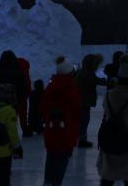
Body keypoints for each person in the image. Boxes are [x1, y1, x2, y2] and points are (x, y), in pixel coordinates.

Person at [41, 56, 82, 186]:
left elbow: (42, 107)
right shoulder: (71, 88)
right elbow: (77, 111)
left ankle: (48, 182)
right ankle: (56, 183)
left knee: (51, 156)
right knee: (62, 158)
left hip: (51, 130)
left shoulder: (51, 86)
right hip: (67, 131)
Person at [75, 53, 106, 148]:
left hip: (81, 100)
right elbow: (96, 80)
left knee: (83, 120)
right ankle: (81, 140)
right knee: (84, 120)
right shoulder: (87, 73)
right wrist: (110, 81)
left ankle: (80, 138)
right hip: (83, 101)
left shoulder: (83, 72)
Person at [0, 83, 22, 186]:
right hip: (3, 152)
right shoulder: (9, 111)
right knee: (3, 179)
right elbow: (12, 132)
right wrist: (17, 147)